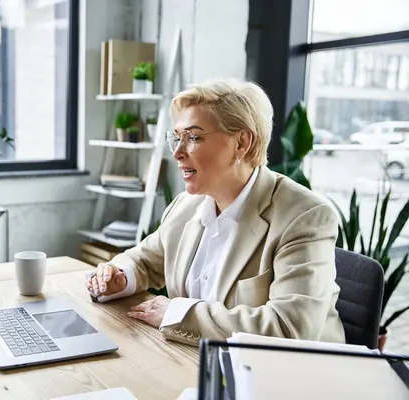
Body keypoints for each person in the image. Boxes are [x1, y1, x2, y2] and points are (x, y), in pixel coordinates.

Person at [85, 78, 346, 346]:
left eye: (193, 138)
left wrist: (177, 313)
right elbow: (144, 261)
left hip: (283, 377)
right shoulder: (186, 206)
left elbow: (290, 327)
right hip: (197, 361)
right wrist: (119, 276)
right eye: (176, 138)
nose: (177, 153)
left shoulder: (304, 217)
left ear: (241, 143)